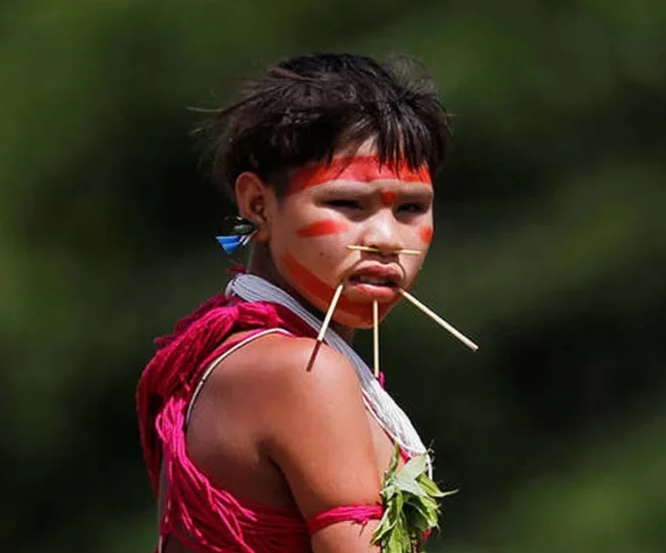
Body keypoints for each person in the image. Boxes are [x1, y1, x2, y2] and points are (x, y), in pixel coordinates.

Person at [136, 52, 451, 553]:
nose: (387, 239)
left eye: (411, 208)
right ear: (258, 204)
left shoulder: (250, 352)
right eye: (348, 204)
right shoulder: (301, 371)